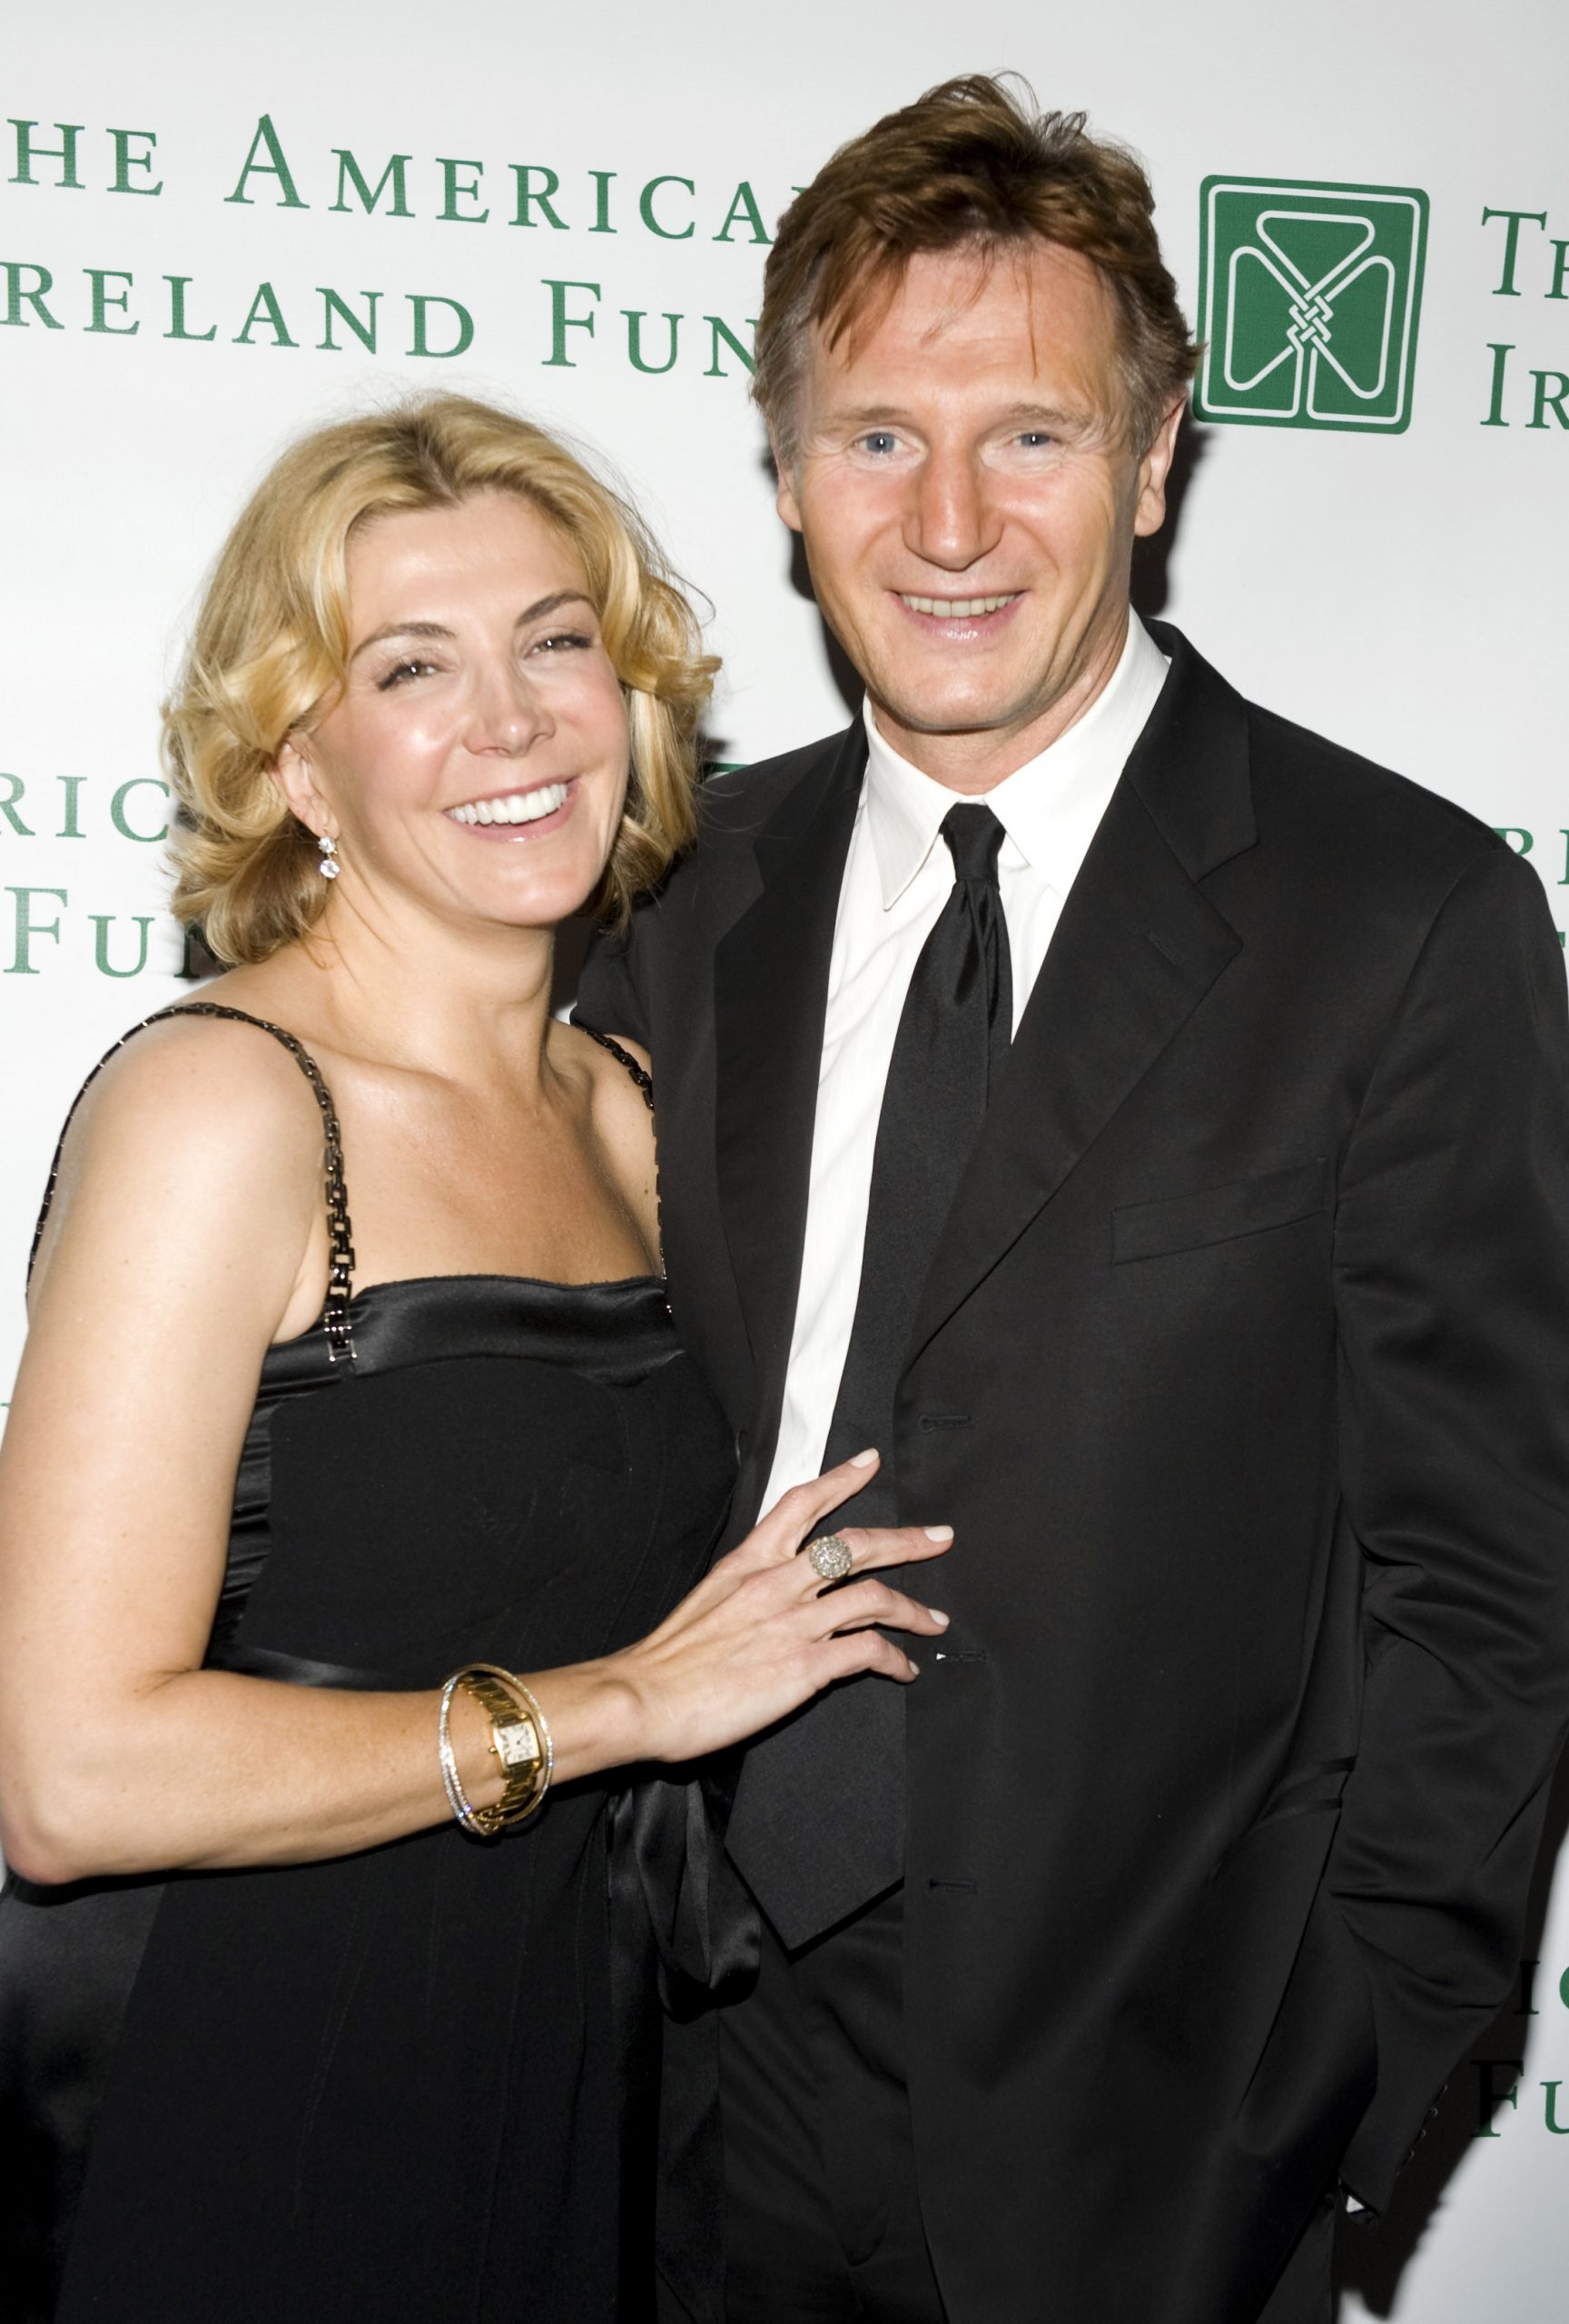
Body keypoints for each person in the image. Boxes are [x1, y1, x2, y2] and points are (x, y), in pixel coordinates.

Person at [576, 74, 1569, 2324]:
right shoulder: (676, 887)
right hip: (664, 2063)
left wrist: (1317, 2121)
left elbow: (1489, 1593)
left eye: (1026, 434)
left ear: (1150, 457)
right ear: (789, 469)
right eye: (874, 437)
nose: (946, 519)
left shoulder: (1398, 916)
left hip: (1139, 2126)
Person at [0, 392, 953, 2324]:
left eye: (556, 640)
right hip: (237, 2082)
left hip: (559, 2062)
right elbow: (70, 1774)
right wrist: (615, 1707)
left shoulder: (636, 1107)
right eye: (411, 667)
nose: (510, 720)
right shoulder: (226, 1106)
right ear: (304, 768)